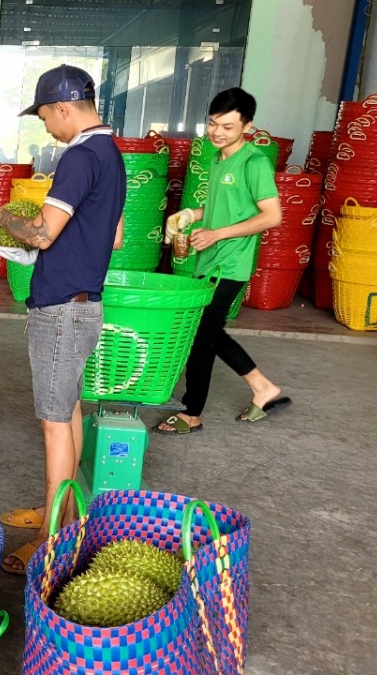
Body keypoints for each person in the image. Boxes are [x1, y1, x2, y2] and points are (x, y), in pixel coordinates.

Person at [0, 64, 125, 576]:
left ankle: (50, 537)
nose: (46, 127)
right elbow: (117, 236)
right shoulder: (111, 155)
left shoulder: (81, 157)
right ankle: (61, 506)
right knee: (70, 410)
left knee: (54, 422)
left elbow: (42, 234)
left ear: (63, 107)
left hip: (62, 308)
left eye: (44, 116)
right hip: (82, 303)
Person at [155, 88, 287, 435]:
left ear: (248, 126)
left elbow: (271, 216)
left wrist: (217, 234)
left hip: (230, 263)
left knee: (203, 334)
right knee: (207, 334)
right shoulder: (218, 158)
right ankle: (261, 389)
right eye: (213, 124)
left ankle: (193, 412)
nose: (217, 132)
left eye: (228, 127)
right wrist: (192, 214)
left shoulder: (253, 162)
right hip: (209, 261)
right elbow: (222, 207)